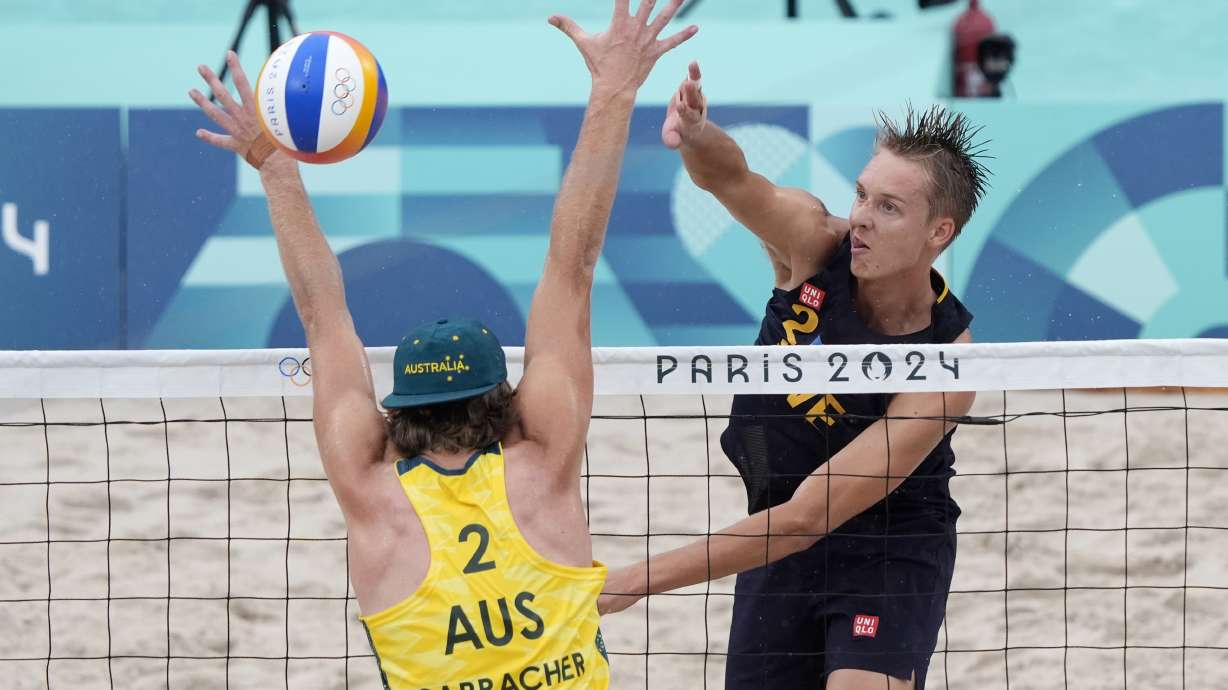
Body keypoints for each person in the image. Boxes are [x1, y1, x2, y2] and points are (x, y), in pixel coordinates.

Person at [187, 3, 696, 688]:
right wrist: (614, 91)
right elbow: (573, 265)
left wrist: (274, 166)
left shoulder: (372, 495)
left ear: (398, 411)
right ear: (504, 398)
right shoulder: (543, 467)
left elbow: (323, 315)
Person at [600, 63, 990, 690]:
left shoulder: (948, 361)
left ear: (938, 232)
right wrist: (699, 136)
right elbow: (734, 181)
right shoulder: (812, 243)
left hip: (886, 551)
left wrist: (636, 578)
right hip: (771, 536)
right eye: (862, 194)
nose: (860, 216)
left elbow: (812, 515)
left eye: (888, 207)